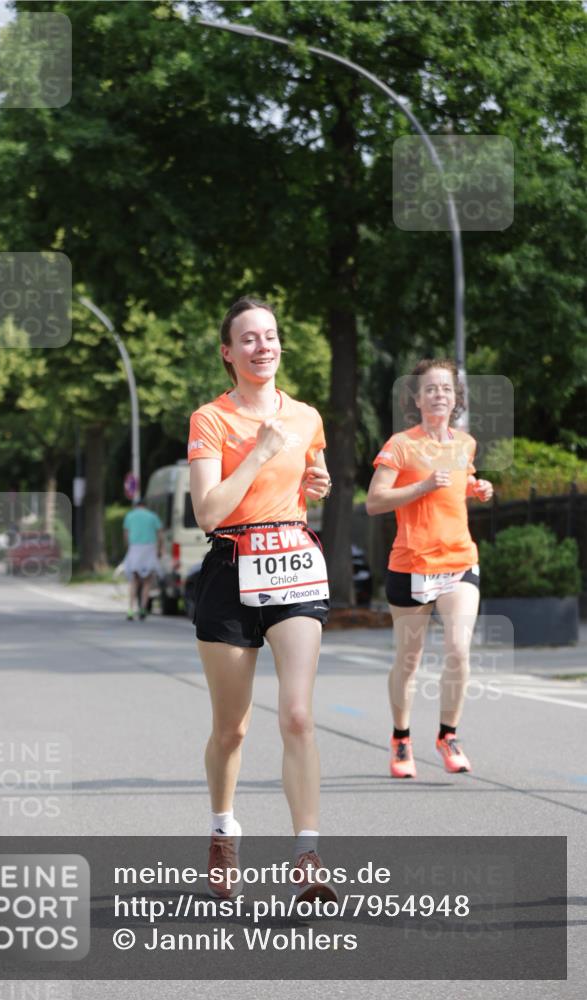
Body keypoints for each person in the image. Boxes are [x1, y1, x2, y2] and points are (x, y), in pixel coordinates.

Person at [188, 296, 336, 904]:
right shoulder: (210, 419)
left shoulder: (306, 416)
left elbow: (312, 481)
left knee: (298, 714)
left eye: (270, 336)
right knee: (232, 729)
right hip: (230, 568)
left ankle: (308, 856)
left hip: (295, 566)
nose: (262, 346)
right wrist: (259, 452)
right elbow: (208, 511)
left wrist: (315, 483)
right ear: (228, 353)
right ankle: (223, 832)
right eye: (248, 339)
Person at [366, 359, 493, 779]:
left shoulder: (465, 444)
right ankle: (401, 738)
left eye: (447, 389)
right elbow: (374, 501)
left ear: (456, 399)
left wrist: (477, 487)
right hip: (411, 564)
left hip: (459, 561)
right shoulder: (401, 445)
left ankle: (447, 735)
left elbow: (461, 480)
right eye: (431, 389)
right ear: (417, 399)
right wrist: (421, 485)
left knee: (458, 649)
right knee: (409, 658)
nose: (440, 394)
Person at [123, 498, 164, 620]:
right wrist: (160, 549)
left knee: (134, 581)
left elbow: (126, 534)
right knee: (147, 581)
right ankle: (142, 608)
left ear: (136, 506)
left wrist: (129, 547)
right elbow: (160, 534)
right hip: (149, 549)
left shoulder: (130, 516)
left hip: (134, 549)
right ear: (145, 506)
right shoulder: (152, 516)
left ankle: (130, 609)